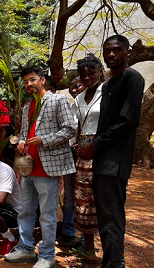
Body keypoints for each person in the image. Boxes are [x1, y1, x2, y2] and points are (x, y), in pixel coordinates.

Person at [75, 35, 144, 268]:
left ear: (128, 51)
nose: (112, 54)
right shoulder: (111, 83)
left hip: (114, 162)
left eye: (117, 49)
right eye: (107, 50)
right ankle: (114, 267)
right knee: (107, 219)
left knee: (111, 220)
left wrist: (96, 144)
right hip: (102, 160)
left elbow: (128, 121)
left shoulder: (131, 78)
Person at [4, 66, 76, 268]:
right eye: (26, 82)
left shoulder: (58, 100)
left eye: (32, 80)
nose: (29, 85)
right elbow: (26, 133)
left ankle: (47, 255)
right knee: (25, 210)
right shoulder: (28, 106)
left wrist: (44, 140)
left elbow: (69, 129)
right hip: (28, 167)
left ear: (43, 80)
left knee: (47, 214)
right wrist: (22, 142)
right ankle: (26, 248)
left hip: (48, 167)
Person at [66, 54, 105, 262]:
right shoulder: (79, 99)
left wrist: (96, 144)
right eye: (84, 74)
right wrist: (74, 146)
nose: (88, 77)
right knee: (84, 201)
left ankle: (111, 255)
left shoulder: (107, 93)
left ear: (100, 72)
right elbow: (74, 127)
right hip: (82, 156)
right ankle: (88, 250)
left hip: (103, 152)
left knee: (103, 202)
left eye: (92, 73)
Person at [58, 74, 88, 247]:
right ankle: (68, 233)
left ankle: (85, 237)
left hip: (86, 154)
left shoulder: (95, 106)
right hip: (70, 154)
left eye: (79, 85)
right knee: (69, 196)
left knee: (85, 196)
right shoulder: (71, 107)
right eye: (72, 86)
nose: (75, 89)